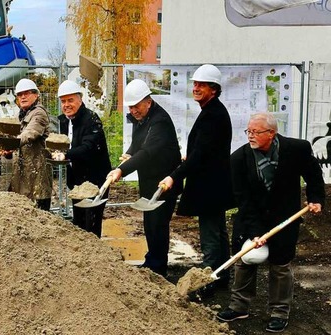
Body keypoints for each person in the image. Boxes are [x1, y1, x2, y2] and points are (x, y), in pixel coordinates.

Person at [216, 112, 325, 333]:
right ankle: (239, 307)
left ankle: (279, 311)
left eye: (256, 132)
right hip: (252, 215)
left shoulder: (297, 149)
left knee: (280, 264)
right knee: (246, 258)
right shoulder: (239, 159)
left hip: (285, 216)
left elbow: (314, 174)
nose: (250, 136)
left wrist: (315, 198)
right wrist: (255, 233)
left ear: (271, 133)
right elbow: (243, 199)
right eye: (248, 131)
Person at [159, 64, 235, 292]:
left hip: (209, 186)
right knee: (219, 232)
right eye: (195, 84)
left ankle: (207, 281)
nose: (196, 88)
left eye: (202, 85)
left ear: (214, 89)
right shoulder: (212, 111)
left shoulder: (213, 116)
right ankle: (221, 276)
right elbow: (204, 150)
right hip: (215, 183)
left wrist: (173, 176)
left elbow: (200, 155)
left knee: (211, 235)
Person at [106, 79, 182, 275]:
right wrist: (129, 154)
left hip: (164, 181)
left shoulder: (160, 122)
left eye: (136, 106)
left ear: (148, 101)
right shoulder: (142, 118)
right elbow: (138, 144)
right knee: (149, 223)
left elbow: (148, 152)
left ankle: (158, 267)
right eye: (130, 107)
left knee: (158, 224)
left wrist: (122, 170)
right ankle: (151, 261)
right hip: (149, 180)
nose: (133, 110)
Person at [51, 80, 111, 237]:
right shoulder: (63, 121)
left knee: (91, 223)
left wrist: (65, 154)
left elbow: (88, 148)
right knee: (78, 222)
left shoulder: (91, 119)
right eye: (63, 101)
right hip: (77, 180)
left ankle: (95, 255)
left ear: (80, 99)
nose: (66, 105)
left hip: (95, 180)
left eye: (70, 100)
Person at [0, 78, 52, 211]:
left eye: (27, 93)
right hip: (22, 174)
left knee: (40, 216)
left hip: (37, 174)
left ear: (36, 95)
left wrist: (10, 144)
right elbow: (19, 145)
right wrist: (9, 151)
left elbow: (29, 134)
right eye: (20, 94)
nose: (23, 97)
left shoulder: (39, 113)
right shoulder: (21, 115)